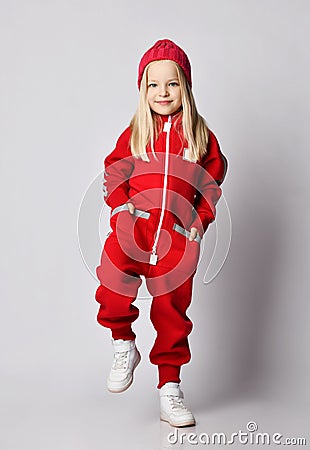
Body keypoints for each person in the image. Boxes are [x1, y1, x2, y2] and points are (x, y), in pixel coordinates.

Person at [95, 39, 228, 427]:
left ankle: (170, 390)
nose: (163, 92)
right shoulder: (136, 130)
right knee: (112, 286)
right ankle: (124, 342)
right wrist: (121, 206)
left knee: (171, 313)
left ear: (184, 86)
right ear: (143, 89)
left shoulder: (200, 135)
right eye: (154, 85)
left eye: (171, 84)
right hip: (133, 230)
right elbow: (113, 170)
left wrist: (197, 224)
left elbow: (212, 186)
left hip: (176, 241)